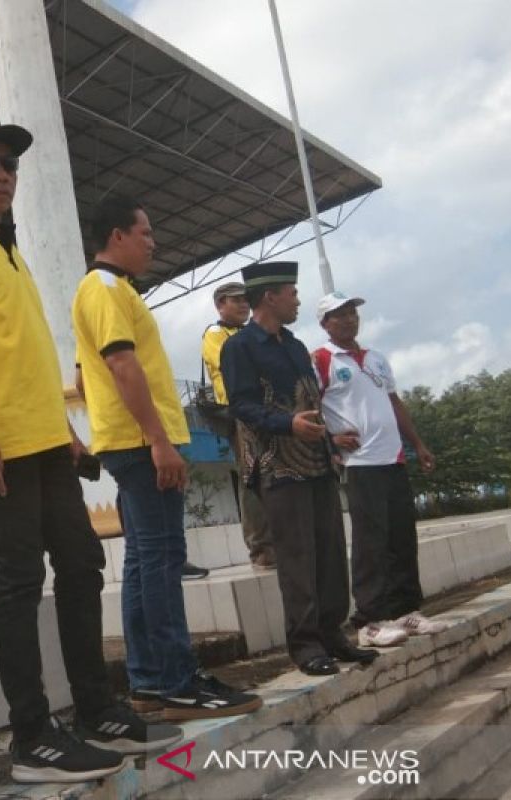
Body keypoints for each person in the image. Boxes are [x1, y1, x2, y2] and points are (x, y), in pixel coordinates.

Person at [0, 120, 179, 784]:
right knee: (19, 580)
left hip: (44, 442)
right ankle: (32, 735)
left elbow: (22, 358)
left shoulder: (6, 249)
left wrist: (66, 433)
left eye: (9, 165)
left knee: (83, 566)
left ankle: (96, 710)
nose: (2, 174)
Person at [72, 195, 261, 721]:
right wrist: (156, 439)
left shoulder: (109, 291)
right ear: (117, 236)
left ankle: (152, 683)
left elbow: (87, 374)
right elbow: (121, 365)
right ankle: (176, 681)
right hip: (139, 442)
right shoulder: (106, 289)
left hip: (130, 439)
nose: (153, 243)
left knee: (143, 562)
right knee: (159, 561)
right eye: (145, 233)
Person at [220, 262, 377, 676]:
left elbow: (311, 400)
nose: (298, 300)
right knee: (296, 557)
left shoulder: (292, 345)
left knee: (328, 552)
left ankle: (333, 634)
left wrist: (328, 441)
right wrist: (286, 424)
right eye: (292, 292)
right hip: (278, 465)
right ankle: (305, 644)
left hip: (316, 461)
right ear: (270, 296)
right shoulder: (239, 347)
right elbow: (242, 406)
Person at [312, 292, 448, 647]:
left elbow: (393, 401)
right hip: (361, 463)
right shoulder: (321, 359)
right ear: (325, 324)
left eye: (352, 313)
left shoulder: (377, 359)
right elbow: (307, 405)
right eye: (339, 315)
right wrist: (330, 439)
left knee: (401, 537)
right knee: (371, 543)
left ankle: (406, 610)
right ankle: (370, 621)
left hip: (393, 458)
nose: (349, 320)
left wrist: (417, 444)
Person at [201, 281, 275, 568]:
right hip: (241, 413)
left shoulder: (249, 333)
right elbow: (234, 363)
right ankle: (261, 547)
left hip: (265, 411)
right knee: (251, 476)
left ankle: (277, 540)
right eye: (236, 300)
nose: (244, 304)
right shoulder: (215, 334)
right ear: (220, 305)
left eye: (246, 300)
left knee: (272, 474)